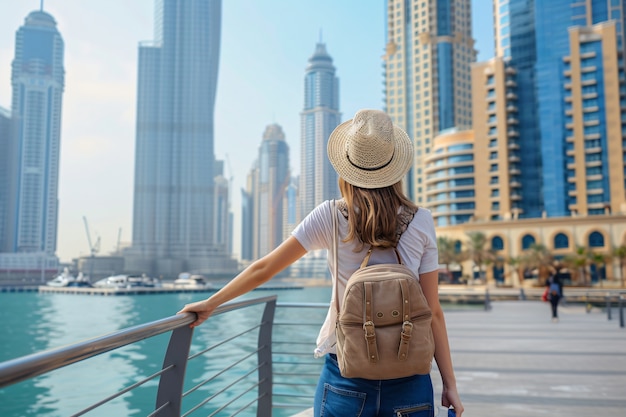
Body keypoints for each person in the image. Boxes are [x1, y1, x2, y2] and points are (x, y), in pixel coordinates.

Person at [179, 109, 464, 417]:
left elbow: (264, 268)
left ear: (347, 169)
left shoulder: (330, 215)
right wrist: (450, 384)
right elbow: (433, 311)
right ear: (396, 168)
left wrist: (211, 303)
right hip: (410, 376)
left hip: (346, 370)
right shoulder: (422, 221)